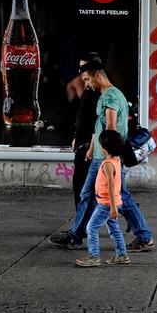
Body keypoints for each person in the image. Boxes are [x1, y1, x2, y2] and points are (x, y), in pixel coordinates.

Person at [49, 57, 155, 252]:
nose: (87, 84)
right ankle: (75, 237)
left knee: (119, 197)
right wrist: (91, 148)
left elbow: (111, 128)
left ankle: (144, 236)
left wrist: (108, 160)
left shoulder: (110, 97)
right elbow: (99, 126)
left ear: (97, 76)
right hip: (99, 155)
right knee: (88, 195)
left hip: (106, 159)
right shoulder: (109, 95)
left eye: (88, 80)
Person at [75, 130, 130, 267]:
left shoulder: (107, 165)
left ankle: (94, 257)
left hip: (105, 204)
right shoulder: (116, 161)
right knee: (114, 230)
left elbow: (111, 185)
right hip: (110, 202)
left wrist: (111, 207)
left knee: (91, 227)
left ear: (104, 149)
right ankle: (122, 255)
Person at [70, 52, 101, 210]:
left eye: (84, 68)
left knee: (84, 189)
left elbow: (98, 121)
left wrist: (91, 146)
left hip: (88, 147)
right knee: (81, 188)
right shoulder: (90, 90)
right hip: (83, 144)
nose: (81, 73)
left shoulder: (99, 92)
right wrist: (77, 136)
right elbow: (84, 117)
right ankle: (81, 225)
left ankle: (81, 226)